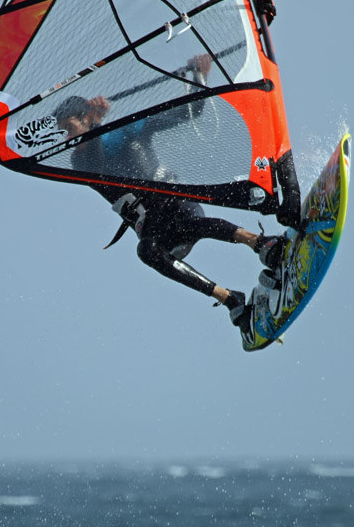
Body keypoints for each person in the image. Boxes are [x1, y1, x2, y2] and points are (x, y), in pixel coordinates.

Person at [53, 55, 288, 334]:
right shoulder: (79, 164)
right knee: (146, 251)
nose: (67, 139)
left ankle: (260, 243)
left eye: (69, 128)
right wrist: (95, 122)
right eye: (63, 132)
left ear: (84, 118)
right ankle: (230, 299)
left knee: (185, 221)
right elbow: (94, 158)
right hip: (155, 229)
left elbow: (190, 113)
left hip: (177, 206)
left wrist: (199, 76)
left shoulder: (126, 131)